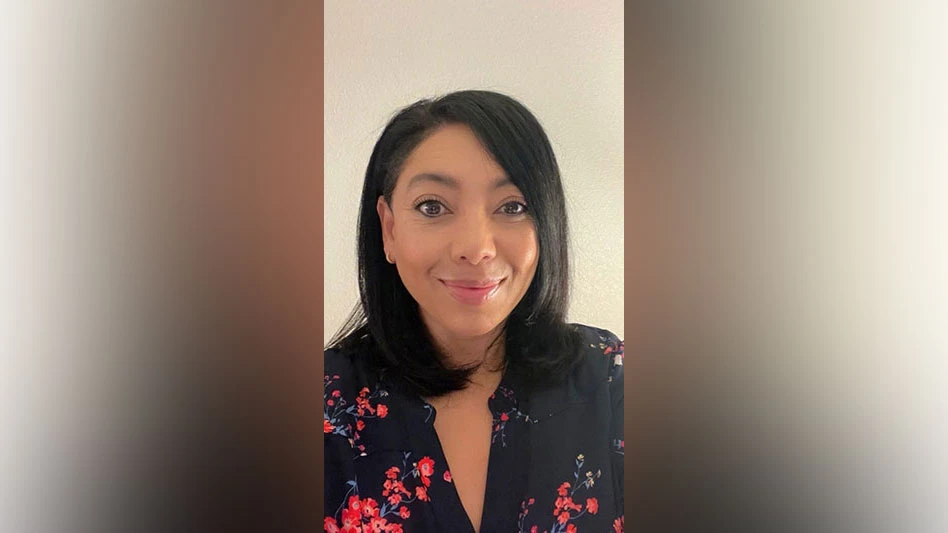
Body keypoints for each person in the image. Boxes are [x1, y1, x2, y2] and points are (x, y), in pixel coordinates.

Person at [324, 90, 624, 533]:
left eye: (512, 207)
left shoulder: (609, 379)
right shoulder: (325, 406)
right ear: (388, 228)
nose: (476, 249)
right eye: (433, 206)